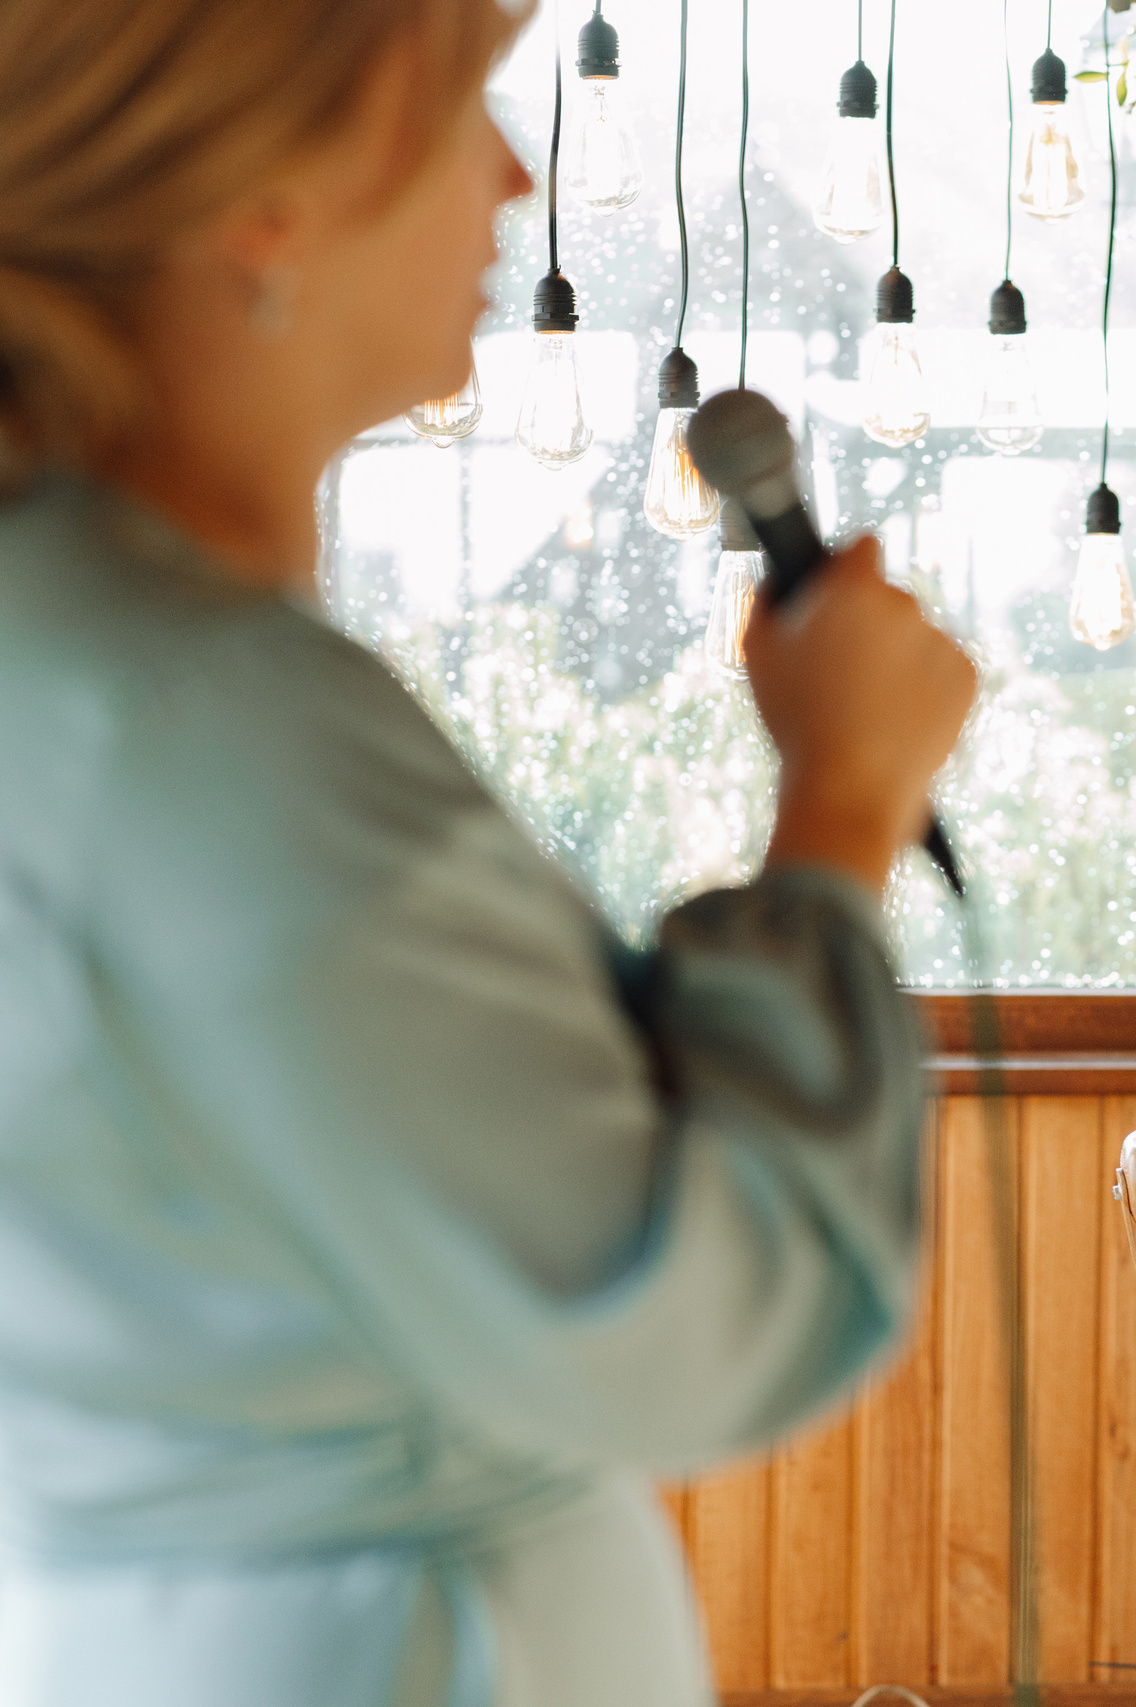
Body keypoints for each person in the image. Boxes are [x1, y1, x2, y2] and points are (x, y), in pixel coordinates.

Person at [0, 3, 976, 1703]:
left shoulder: (81, 654)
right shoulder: (204, 725)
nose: (518, 177)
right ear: (269, 197)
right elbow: (686, 1304)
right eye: (462, 108)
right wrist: (840, 808)